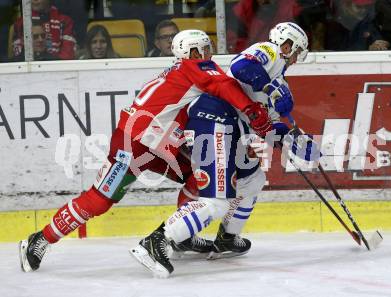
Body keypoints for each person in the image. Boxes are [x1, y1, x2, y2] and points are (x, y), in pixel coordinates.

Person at [18, 29, 272, 273]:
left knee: (198, 177)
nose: (209, 54)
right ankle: (40, 239)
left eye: (209, 49)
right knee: (100, 199)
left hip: (159, 146)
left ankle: (181, 236)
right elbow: (224, 86)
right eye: (203, 49)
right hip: (134, 144)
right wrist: (252, 109)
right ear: (190, 52)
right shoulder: (194, 67)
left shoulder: (182, 72)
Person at [130, 22, 320, 278]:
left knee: (253, 179)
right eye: (296, 53)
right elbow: (242, 67)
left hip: (231, 129)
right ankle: (157, 240)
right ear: (287, 45)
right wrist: (270, 88)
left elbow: (269, 125)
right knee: (217, 202)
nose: (296, 59)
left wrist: (293, 141)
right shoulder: (269, 52)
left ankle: (227, 239)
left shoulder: (280, 82)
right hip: (213, 119)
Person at [226, 0, 303, 53]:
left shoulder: (291, 8)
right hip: (252, 62)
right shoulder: (242, 10)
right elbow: (235, 45)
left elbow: (301, 42)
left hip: (283, 60)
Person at [12, 0, 76, 60]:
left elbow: (68, 55)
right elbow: (19, 58)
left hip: (56, 69)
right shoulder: (21, 23)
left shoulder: (65, 21)